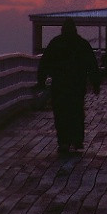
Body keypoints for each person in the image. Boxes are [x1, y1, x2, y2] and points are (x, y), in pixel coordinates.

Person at [37, 19, 100, 154]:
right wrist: (96, 83)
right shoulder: (81, 44)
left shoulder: (56, 43)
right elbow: (92, 64)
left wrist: (41, 81)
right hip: (77, 84)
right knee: (76, 111)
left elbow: (44, 63)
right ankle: (77, 140)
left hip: (59, 85)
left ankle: (63, 141)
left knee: (61, 113)